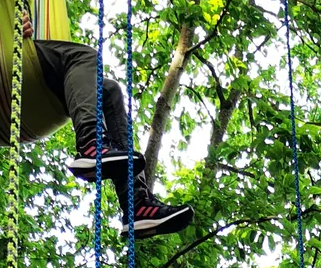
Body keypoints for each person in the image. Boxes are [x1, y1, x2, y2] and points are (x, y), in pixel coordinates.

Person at [21, 13, 194, 237]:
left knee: (110, 91)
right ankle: (90, 145)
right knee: (83, 56)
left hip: (35, 75)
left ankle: (136, 205)